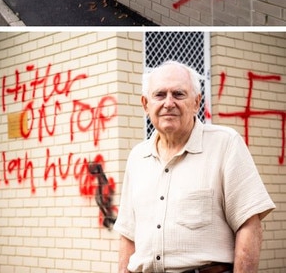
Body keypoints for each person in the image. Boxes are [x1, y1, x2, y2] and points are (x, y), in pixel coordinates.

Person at [115, 61, 275, 273]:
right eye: (160, 95)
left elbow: (249, 225)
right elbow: (128, 235)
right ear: (145, 104)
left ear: (196, 102)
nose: (169, 103)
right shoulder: (137, 157)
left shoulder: (225, 144)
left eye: (179, 94)